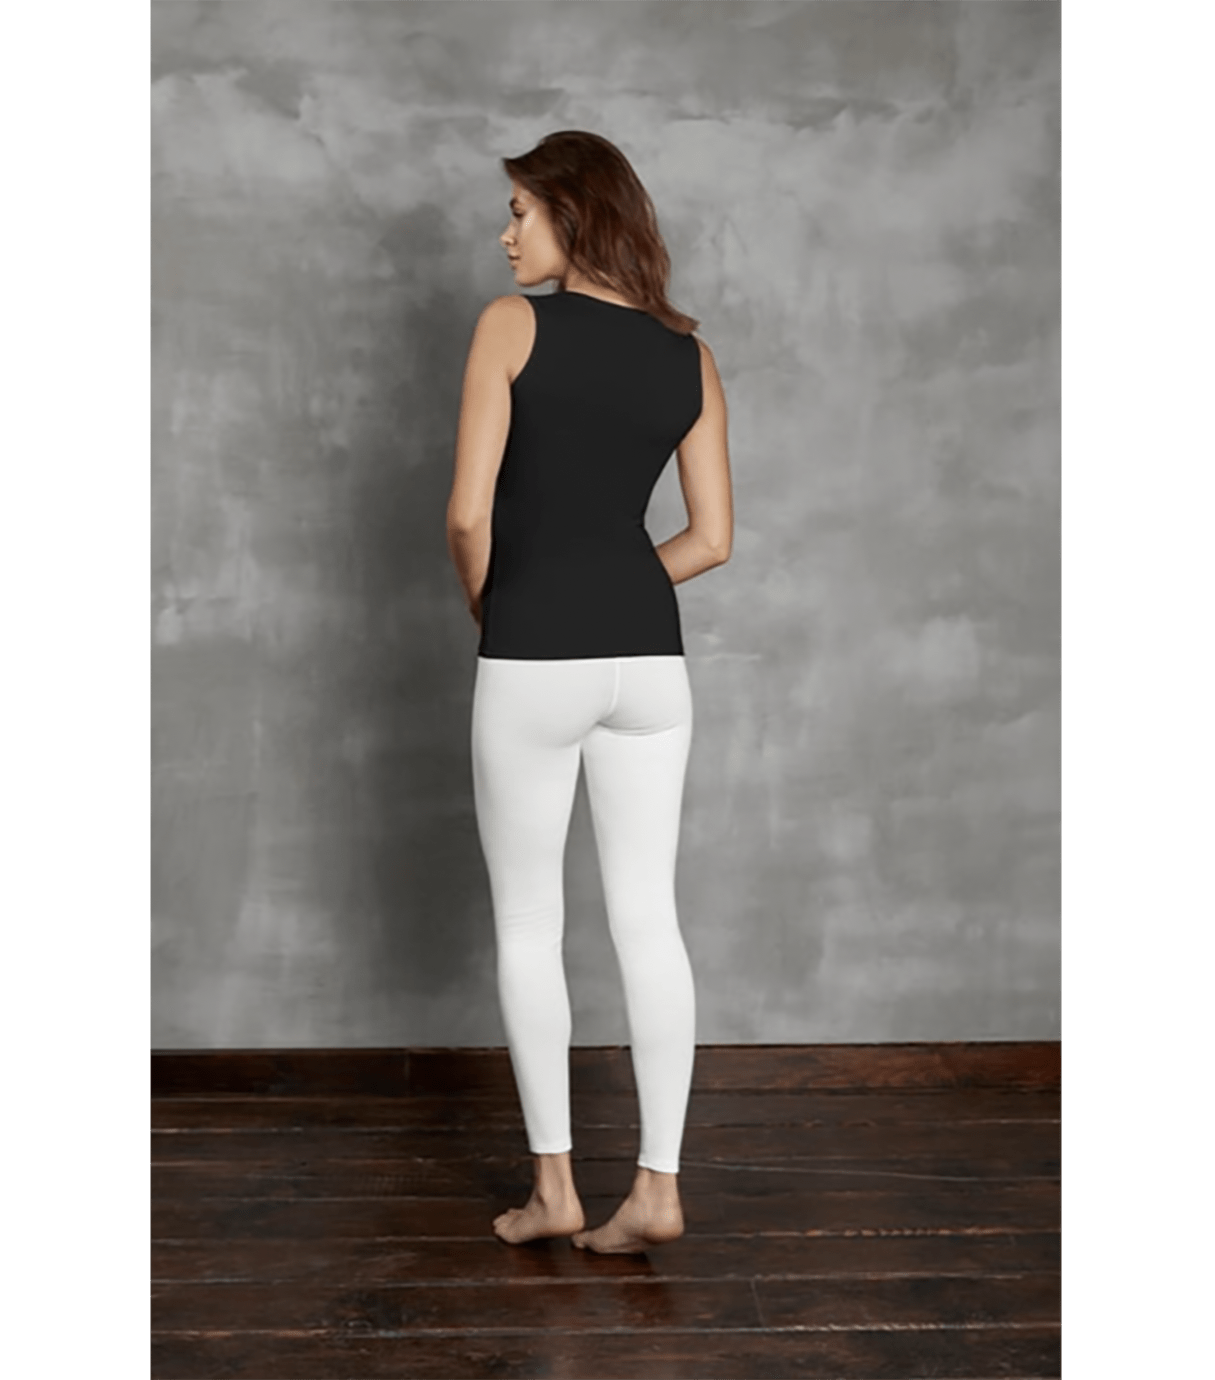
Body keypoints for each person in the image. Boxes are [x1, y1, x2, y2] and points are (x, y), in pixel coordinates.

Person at [445, 131, 733, 1254]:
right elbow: (710, 539)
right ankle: (657, 1188)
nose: (505, 234)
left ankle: (556, 1190)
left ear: (573, 211)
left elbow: (468, 514)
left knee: (530, 923)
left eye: (520, 210)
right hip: (650, 665)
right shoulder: (689, 357)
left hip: (535, 656)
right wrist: (615, 583)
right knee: (648, 918)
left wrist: (497, 602)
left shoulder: (510, 326)